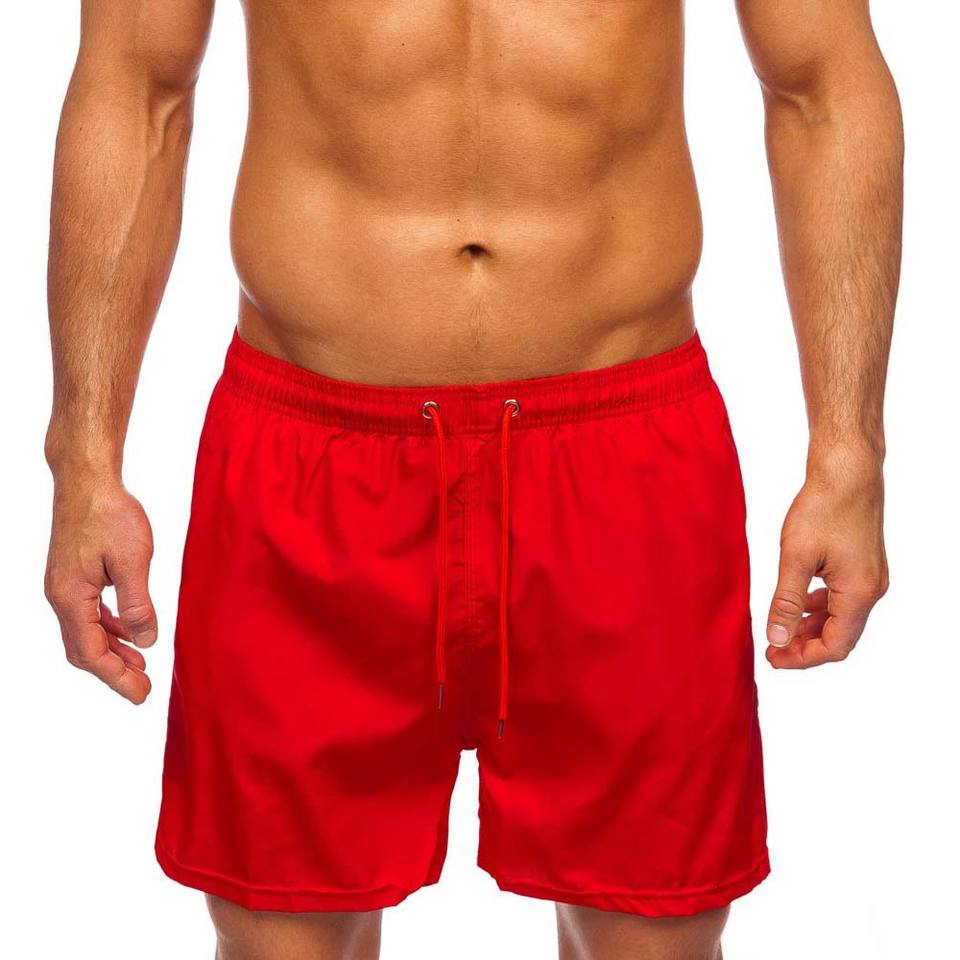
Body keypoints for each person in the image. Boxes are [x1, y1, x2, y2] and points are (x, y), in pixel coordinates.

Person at [43, 2, 902, 958]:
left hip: (621, 459)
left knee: (654, 937)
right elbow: (138, 87)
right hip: (310, 464)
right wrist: (84, 459)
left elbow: (821, 83)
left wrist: (849, 452)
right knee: (277, 935)